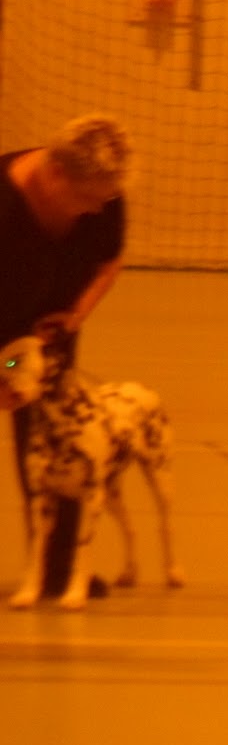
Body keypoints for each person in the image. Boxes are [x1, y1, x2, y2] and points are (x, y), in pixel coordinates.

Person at [1, 115, 131, 599]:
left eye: (104, 201)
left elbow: (108, 263)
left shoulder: (105, 198)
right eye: (87, 200)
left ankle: (59, 568)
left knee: (64, 437)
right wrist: (6, 373)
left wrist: (74, 317)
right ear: (55, 173)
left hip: (52, 326)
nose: (96, 210)